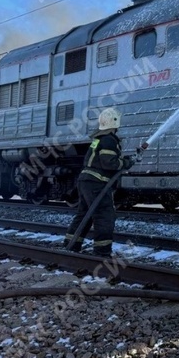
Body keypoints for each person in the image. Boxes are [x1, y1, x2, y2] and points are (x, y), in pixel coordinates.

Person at [64, 107, 134, 256]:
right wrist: (126, 163)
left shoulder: (99, 139)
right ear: (115, 122)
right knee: (104, 215)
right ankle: (102, 251)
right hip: (97, 183)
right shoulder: (109, 139)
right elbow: (109, 163)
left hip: (86, 181)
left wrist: (125, 160)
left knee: (84, 214)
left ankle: (71, 244)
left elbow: (102, 160)